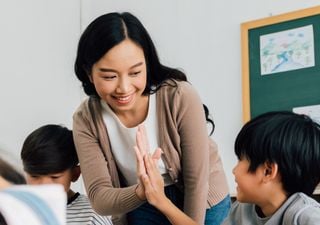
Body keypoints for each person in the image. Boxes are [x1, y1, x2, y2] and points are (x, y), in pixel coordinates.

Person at [73, 11, 230, 225]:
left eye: (135, 73)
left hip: (202, 197)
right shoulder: (86, 119)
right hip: (139, 200)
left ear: (147, 63)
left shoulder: (179, 96)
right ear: (89, 73)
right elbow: (100, 198)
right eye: (109, 76)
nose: (124, 88)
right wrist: (143, 191)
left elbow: (196, 182)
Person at [135, 111, 320, 225]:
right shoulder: (243, 209)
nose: (234, 170)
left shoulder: (305, 216)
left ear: (268, 171)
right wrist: (161, 201)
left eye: (241, 160)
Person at [20, 124, 113, 225]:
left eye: (54, 177)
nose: (44, 186)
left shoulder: (92, 217)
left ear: (75, 174)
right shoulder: (16, 210)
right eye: (34, 176)